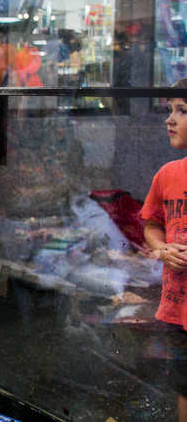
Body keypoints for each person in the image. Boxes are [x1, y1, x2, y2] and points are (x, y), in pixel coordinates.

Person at [141, 78, 187, 422]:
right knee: (184, 386)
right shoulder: (167, 174)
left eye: (181, 111)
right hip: (177, 308)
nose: (168, 119)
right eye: (169, 110)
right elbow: (151, 224)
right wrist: (161, 248)